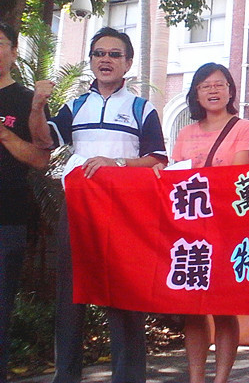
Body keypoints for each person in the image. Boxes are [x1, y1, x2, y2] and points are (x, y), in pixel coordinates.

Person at [29, 27, 168, 383]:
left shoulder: (141, 108)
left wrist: (116, 164)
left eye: (114, 54)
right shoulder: (75, 106)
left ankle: (128, 377)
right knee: (71, 293)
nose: (106, 60)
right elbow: (43, 140)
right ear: (91, 60)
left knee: (125, 292)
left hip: (126, 214)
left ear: (128, 63)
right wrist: (37, 105)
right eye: (99, 54)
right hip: (79, 210)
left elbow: (157, 159)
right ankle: (66, 375)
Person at [158, 63, 249, 383]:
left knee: (224, 308)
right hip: (191, 232)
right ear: (196, 94)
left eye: (219, 84)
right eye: (205, 86)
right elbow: (177, 177)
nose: (213, 90)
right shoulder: (185, 133)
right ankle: (196, 378)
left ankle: (221, 378)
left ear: (230, 90)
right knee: (193, 308)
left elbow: (237, 176)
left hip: (226, 229)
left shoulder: (244, 128)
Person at [0, 22, 50, 383]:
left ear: (14, 52)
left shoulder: (26, 100)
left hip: (7, 217)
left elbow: (41, 158)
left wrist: (3, 134)